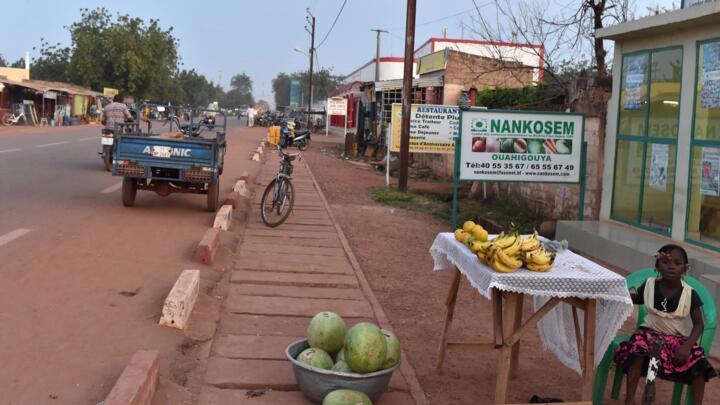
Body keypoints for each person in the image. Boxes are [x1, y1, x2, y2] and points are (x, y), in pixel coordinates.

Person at [614, 244, 717, 405]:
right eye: (665, 262)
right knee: (637, 350)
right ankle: (630, 400)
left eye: (677, 263)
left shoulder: (690, 294)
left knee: (699, 363)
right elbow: (637, 298)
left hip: (676, 339)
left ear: (685, 268)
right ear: (657, 266)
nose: (671, 267)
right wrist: (617, 292)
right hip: (649, 333)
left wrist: (687, 347)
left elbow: (698, 324)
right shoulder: (649, 285)